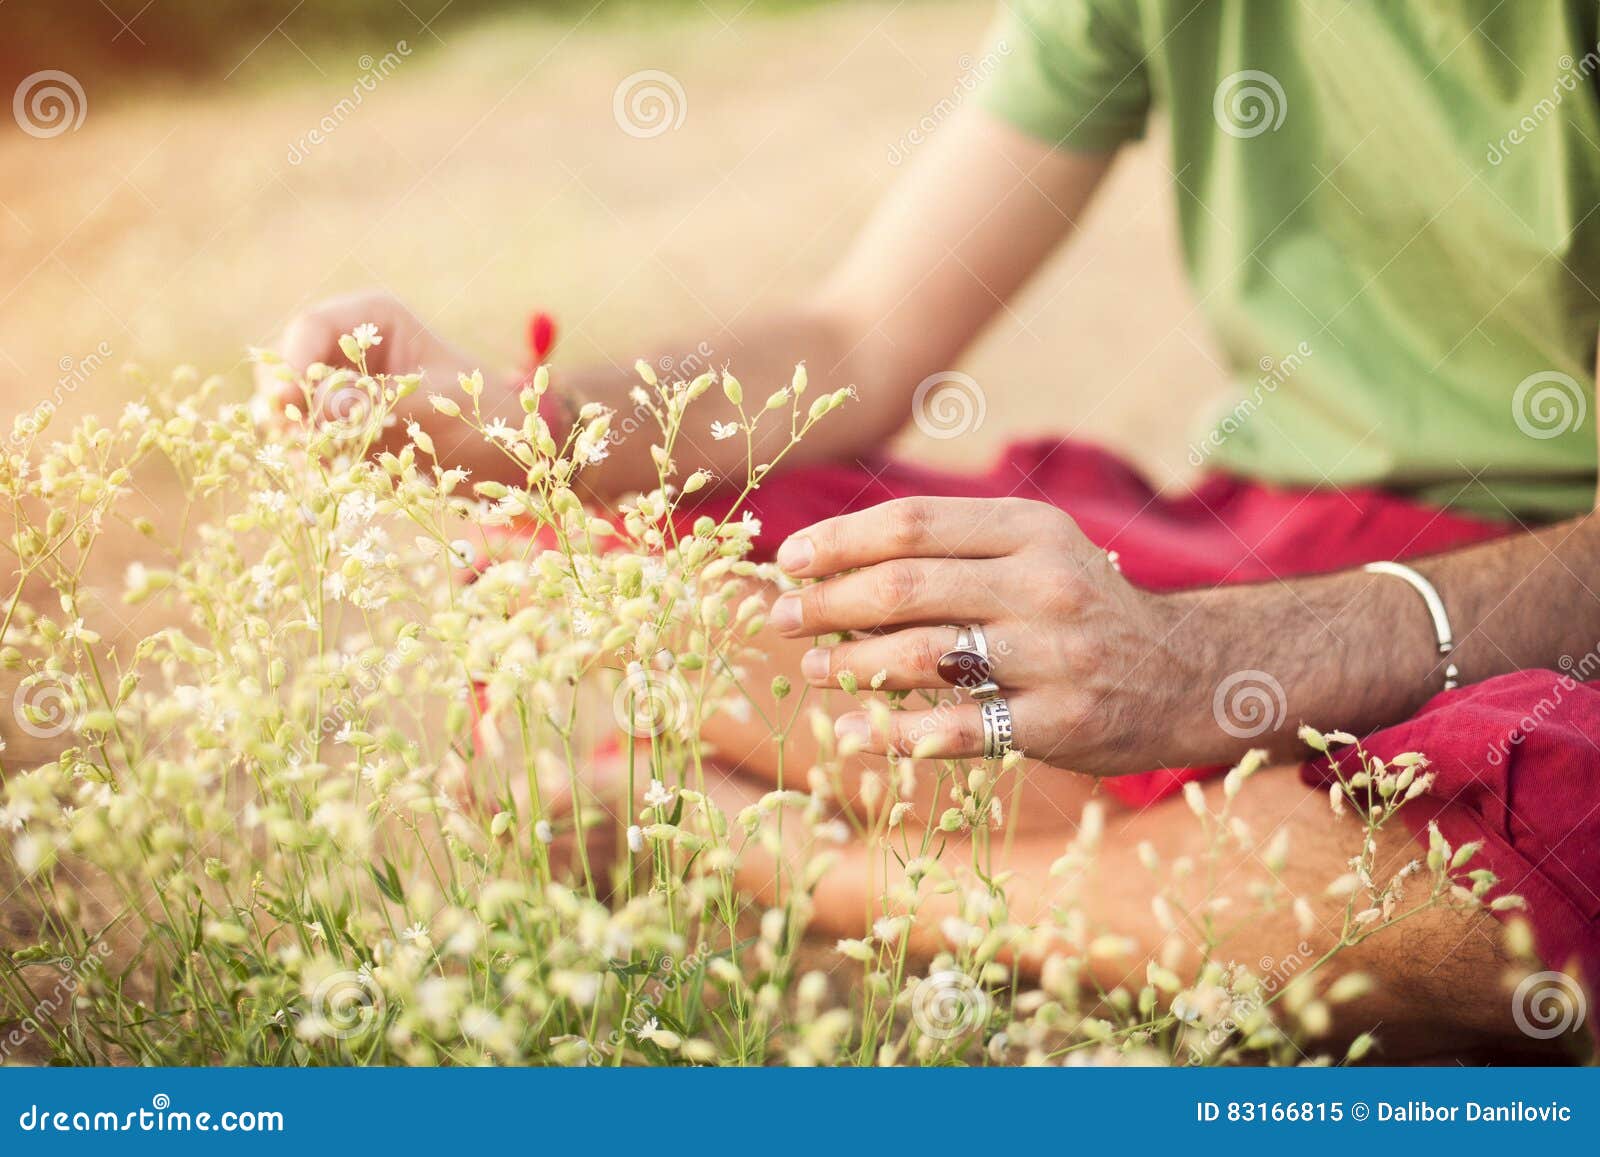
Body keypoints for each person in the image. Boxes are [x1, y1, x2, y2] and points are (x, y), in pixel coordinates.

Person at [260, 2, 1600, 1059]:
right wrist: (508, 424)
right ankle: (1197, 873)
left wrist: (1209, 669)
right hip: (1260, 540)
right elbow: (861, 337)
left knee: (1557, 824)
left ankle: (809, 853)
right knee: (633, 546)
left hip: (1543, 590)